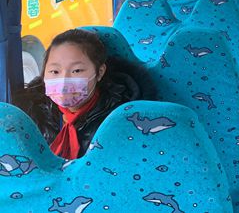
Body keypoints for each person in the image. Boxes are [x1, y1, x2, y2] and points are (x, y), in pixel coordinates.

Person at [13, 29, 155, 159]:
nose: (64, 81)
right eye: (55, 71)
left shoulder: (125, 118)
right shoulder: (30, 112)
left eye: (77, 71)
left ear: (99, 73)